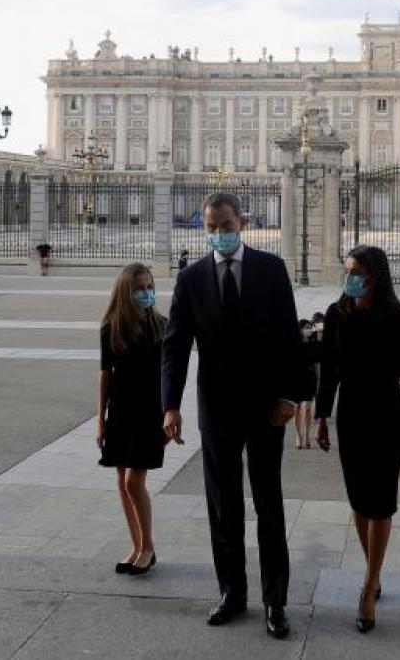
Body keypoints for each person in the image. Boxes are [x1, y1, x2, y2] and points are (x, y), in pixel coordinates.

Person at [161, 192, 308, 639]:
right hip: (218, 408)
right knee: (222, 506)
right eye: (210, 227)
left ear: (241, 222)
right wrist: (170, 405)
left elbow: (289, 336)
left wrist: (291, 395)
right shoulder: (190, 278)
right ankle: (231, 592)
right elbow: (174, 345)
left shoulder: (270, 268)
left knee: (269, 505)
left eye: (224, 225)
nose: (218, 234)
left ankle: (274, 601)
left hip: (266, 407)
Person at [315, 245, 400, 633]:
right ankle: (373, 571)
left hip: (386, 416)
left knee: (381, 504)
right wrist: (321, 416)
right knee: (360, 503)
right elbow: (328, 368)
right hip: (351, 416)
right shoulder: (336, 314)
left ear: (375, 276)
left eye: (356, 271)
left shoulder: (395, 315)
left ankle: (367, 587)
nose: (350, 277)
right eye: (347, 270)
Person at [98, 263, 167, 577]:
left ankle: (149, 546)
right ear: (126, 292)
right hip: (121, 412)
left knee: (133, 481)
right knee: (122, 484)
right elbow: (105, 375)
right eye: (140, 288)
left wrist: (170, 413)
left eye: (149, 286)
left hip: (150, 412)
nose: (146, 292)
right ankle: (136, 545)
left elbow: (171, 376)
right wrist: (101, 420)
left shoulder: (163, 326)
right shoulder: (111, 327)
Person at [293, 319, 318, 450]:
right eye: (306, 327)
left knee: (307, 407)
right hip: (296, 379)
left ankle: (308, 435)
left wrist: (319, 380)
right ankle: (298, 435)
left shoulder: (313, 344)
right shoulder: (294, 344)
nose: (309, 330)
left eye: (310, 327)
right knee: (297, 408)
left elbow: (316, 364)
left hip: (309, 378)